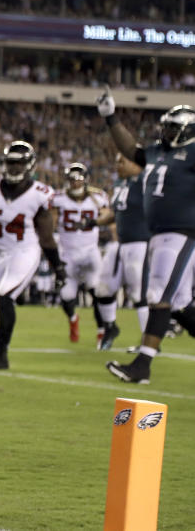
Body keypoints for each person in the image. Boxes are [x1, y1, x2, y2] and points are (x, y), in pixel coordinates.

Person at [98, 91, 195, 384]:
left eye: (172, 128)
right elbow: (131, 150)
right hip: (158, 234)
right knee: (178, 305)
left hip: (182, 232)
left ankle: (142, 365)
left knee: (156, 295)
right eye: (165, 126)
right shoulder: (156, 152)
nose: (165, 132)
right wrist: (110, 118)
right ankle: (142, 364)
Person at [0, 141, 65, 370]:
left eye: (19, 163)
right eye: (10, 163)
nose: (14, 168)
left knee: (5, 296)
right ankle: (19, 294)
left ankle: (0, 356)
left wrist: (58, 268)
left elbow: (46, 237)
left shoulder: (39, 194)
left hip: (25, 251)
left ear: (30, 165)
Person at [92, 153, 151, 351]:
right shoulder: (120, 183)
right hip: (120, 244)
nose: (117, 165)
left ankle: (149, 341)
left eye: (122, 161)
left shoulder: (146, 181)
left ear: (135, 163)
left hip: (141, 243)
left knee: (138, 293)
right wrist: (93, 222)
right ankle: (110, 327)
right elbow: (114, 213)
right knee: (103, 288)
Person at [50, 162, 109, 343]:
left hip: (91, 250)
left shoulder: (98, 197)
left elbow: (107, 215)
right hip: (67, 252)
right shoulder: (57, 198)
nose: (75, 183)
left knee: (97, 291)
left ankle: (102, 331)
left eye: (78, 179)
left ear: (85, 180)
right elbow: (51, 221)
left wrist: (97, 220)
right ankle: (73, 319)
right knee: (66, 296)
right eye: (72, 179)